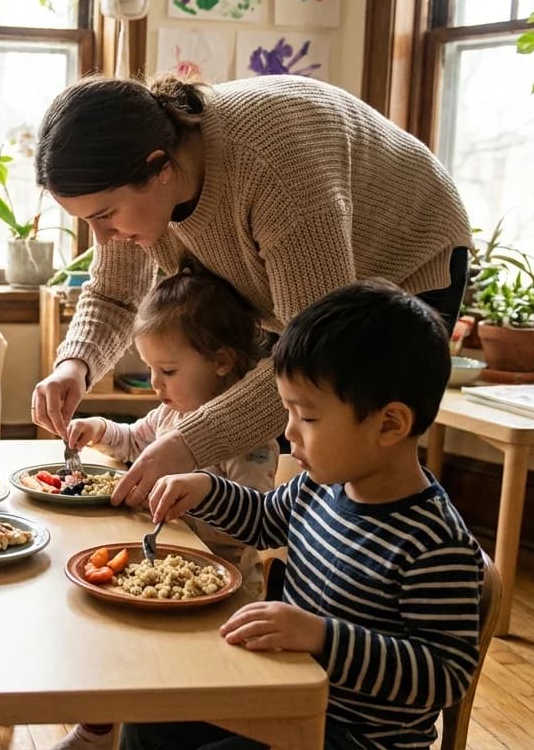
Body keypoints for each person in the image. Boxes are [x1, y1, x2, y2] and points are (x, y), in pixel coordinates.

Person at [30, 73, 472, 506]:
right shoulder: (135, 192)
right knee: (297, 456)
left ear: (160, 168)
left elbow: (315, 355)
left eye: (105, 215)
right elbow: (114, 294)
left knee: (353, 448)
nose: (102, 237)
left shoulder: (274, 168)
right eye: (88, 220)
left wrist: (190, 440)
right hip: (307, 296)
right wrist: (75, 366)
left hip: (408, 260)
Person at [110, 281, 482, 750]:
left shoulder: (433, 542)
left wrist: (323, 636)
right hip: (289, 694)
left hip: (357, 738)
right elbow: (266, 519)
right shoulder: (319, 486)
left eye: (306, 416)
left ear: (390, 424)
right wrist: (205, 488)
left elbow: (444, 674)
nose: (289, 431)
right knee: (150, 721)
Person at [65, 259, 276, 592]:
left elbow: (255, 520)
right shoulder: (169, 413)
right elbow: (135, 441)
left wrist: (200, 494)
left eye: (168, 371)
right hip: (168, 566)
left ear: (220, 362)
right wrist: (99, 430)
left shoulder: (247, 439)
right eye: (150, 368)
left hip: (225, 584)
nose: (154, 383)